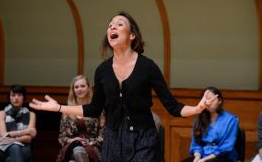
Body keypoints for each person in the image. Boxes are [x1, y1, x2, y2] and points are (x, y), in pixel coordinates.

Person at [30, 11, 217, 162]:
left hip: (144, 139)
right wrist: (59, 108)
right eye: (110, 24)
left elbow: (173, 107)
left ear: (132, 35)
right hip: (112, 140)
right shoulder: (102, 70)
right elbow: (94, 108)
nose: (112, 26)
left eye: (119, 24)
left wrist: (198, 108)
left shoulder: (148, 67)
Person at [181, 87, 239, 162]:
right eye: (206, 100)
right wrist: (197, 157)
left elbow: (227, 146)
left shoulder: (231, 120)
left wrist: (205, 160)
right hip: (203, 154)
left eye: (212, 100)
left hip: (222, 156)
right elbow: (196, 144)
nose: (208, 102)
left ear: (219, 101)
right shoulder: (199, 118)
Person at [57, 75, 105, 162]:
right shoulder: (67, 111)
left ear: (88, 88)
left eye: (83, 86)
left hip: (92, 145)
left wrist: (90, 142)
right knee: (76, 146)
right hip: (71, 145)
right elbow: (61, 137)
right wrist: (72, 140)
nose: (79, 89)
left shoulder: (97, 109)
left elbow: (103, 135)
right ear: (73, 90)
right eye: (76, 87)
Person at [0, 84, 37, 162]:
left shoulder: (31, 115)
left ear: (24, 97)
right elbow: (3, 135)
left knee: (11, 157)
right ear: (9, 98)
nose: (16, 98)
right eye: (13, 95)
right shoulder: (1, 114)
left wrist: (10, 139)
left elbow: (28, 139)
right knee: (15, 147)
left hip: (24, 148)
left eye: (19, 95)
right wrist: (27, 131)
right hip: (4, 148)